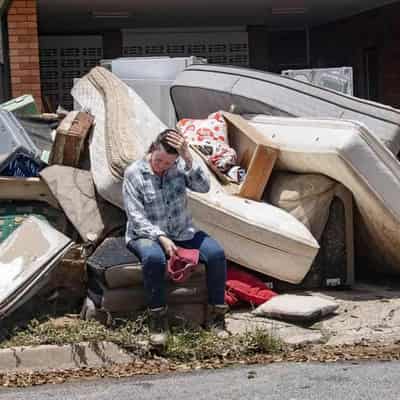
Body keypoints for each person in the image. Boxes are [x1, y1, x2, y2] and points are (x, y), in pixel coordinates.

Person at [123, 128, 228, 346]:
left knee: (216, 254)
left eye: (169, 163)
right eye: (160, 160)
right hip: (146, 234)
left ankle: (216, 317)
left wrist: (188, 158)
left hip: (182, 232)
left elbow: (204, 187)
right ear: (153, 149)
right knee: (154, 259)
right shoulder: (134, 173)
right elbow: (135, 216)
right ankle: (158, 321)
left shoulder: (180, 166)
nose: (163, 166)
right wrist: (161, 237)